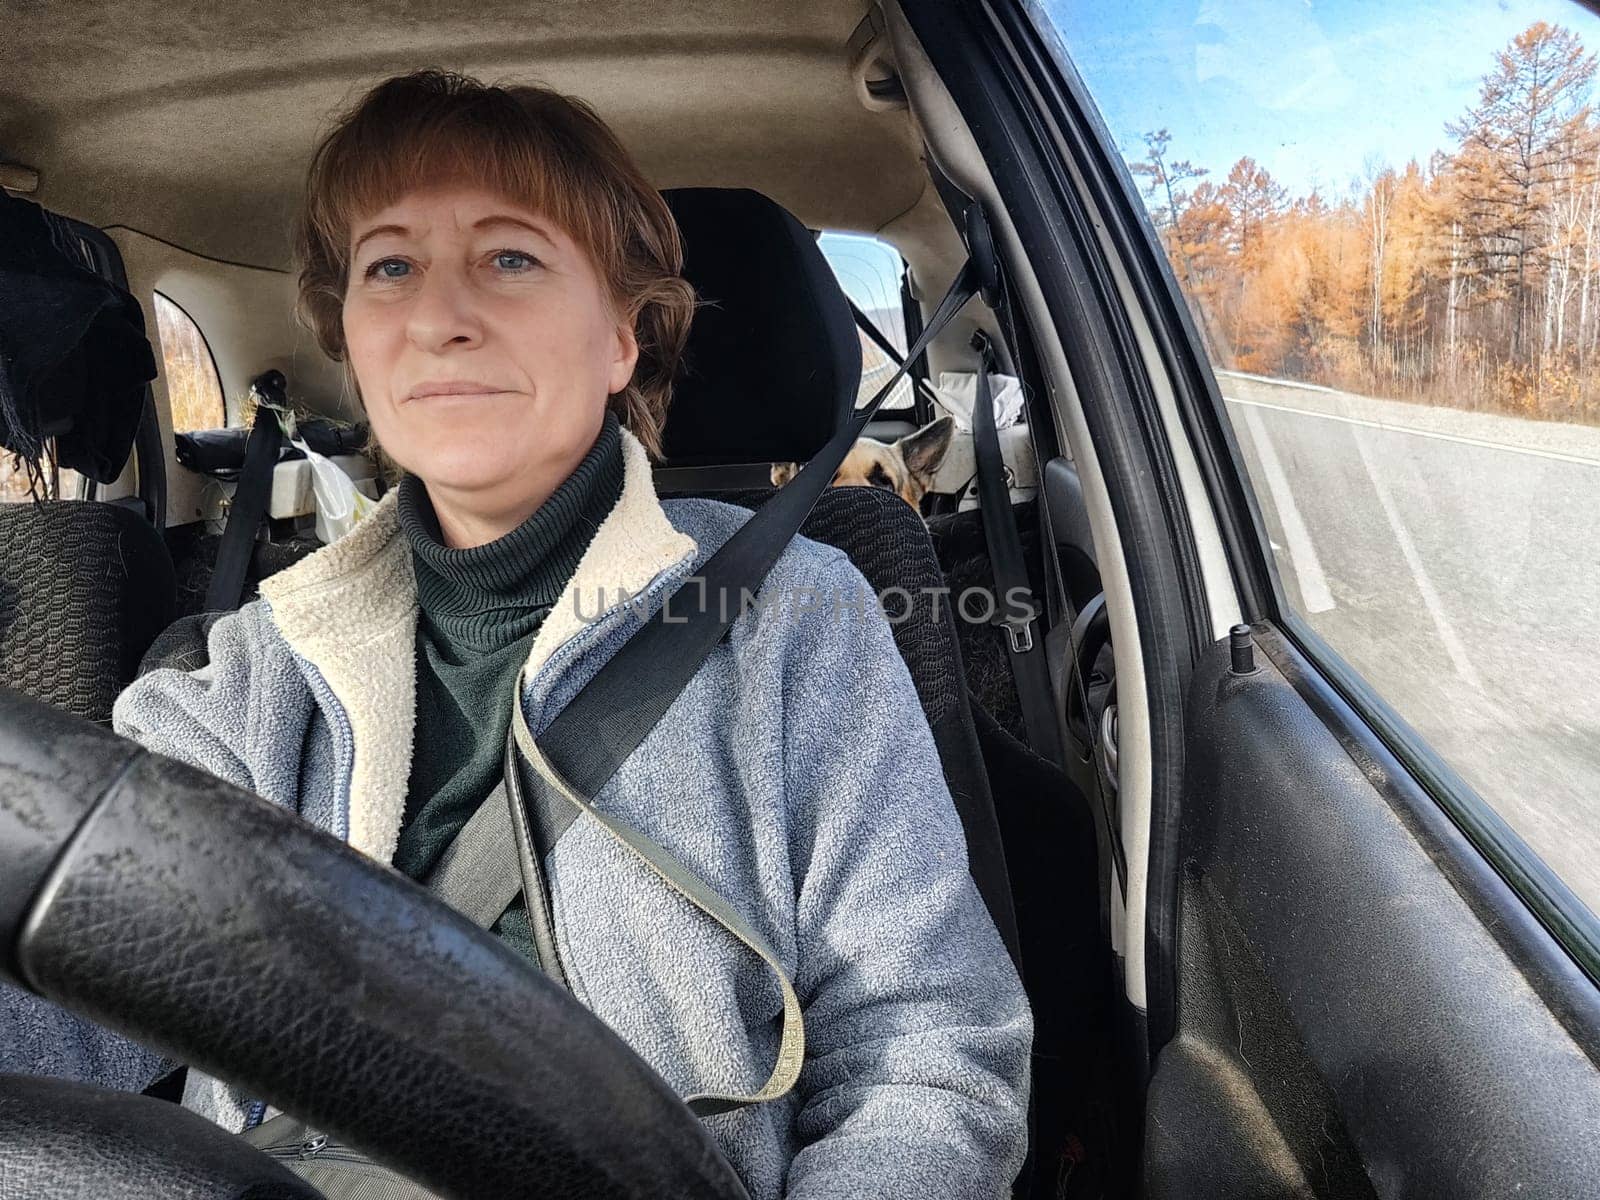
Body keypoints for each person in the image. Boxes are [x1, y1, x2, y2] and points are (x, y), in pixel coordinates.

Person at [4, 68, 1032, 1198]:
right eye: (389, 266)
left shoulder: (798, 616)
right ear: (349, 335)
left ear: (620, 344)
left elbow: (926, 1053)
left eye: (510, 258)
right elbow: (73, 991)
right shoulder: (248, 672)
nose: (441, 317)